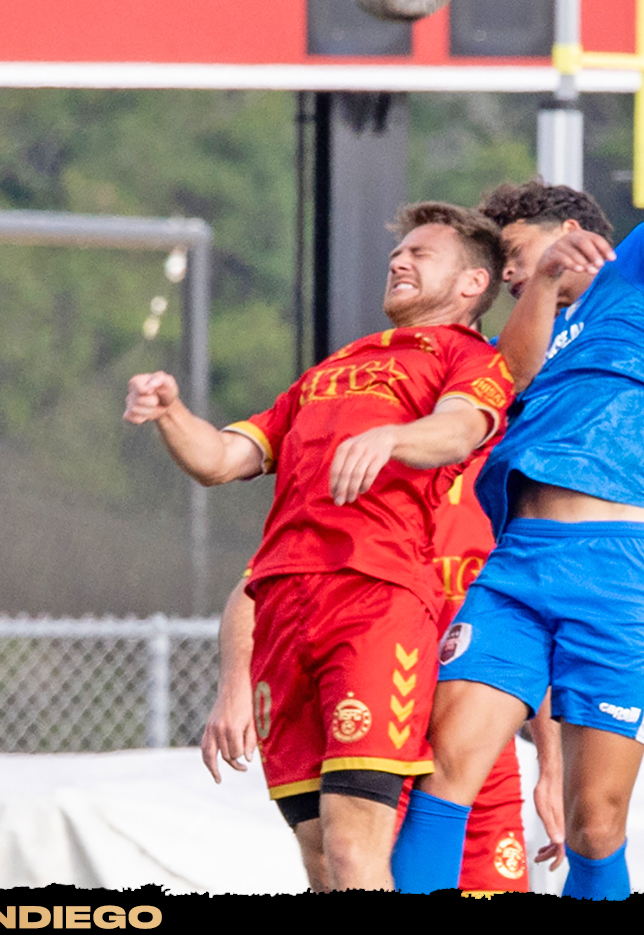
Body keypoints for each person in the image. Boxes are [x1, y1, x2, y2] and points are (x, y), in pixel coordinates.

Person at [392, 90, 644, 900]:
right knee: (446, 767)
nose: (509, 273)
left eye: (516, 254)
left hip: (619, 568)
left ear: (576, 236)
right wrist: (536, 291)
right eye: (504, 269)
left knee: (595, 824)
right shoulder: (505, 344)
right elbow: (503, 379)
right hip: (516, 570)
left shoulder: (638, 276)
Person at [126, 203, 515, 891]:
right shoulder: (335, 366)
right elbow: (221, 458)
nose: (399, 261)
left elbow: (459, 432)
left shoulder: (469, 357)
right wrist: (172, 413)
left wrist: (392, 437)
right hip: (284, 610)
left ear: (471, 284)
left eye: (422, 254)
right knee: (318, 856)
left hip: (375, 599)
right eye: (400, 253)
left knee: (352, 840)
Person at [202, 453, 533, 896]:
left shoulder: (505, 473)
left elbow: (535, 623)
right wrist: (234, 686)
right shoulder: (366, 469)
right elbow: (257, 584)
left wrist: (551, 761)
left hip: (479, 742)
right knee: (344, 864)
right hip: (379, 733)